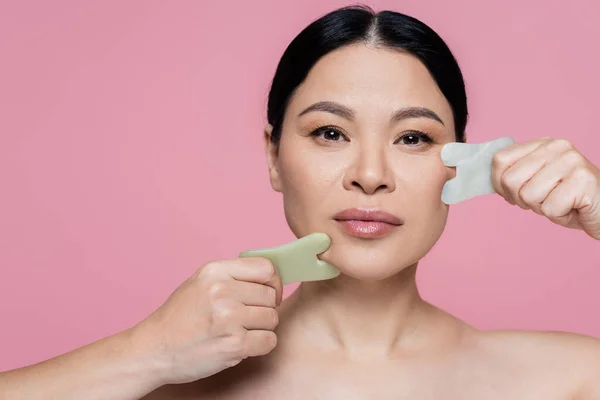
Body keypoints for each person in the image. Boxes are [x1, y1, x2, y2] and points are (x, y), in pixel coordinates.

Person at [1, 5, 599, 400]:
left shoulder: (569, 381)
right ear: (273, 155)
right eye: (329, 133)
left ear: (461, 161)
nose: (370, 175)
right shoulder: (162, 379)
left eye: (413, 137)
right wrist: (143, 354)